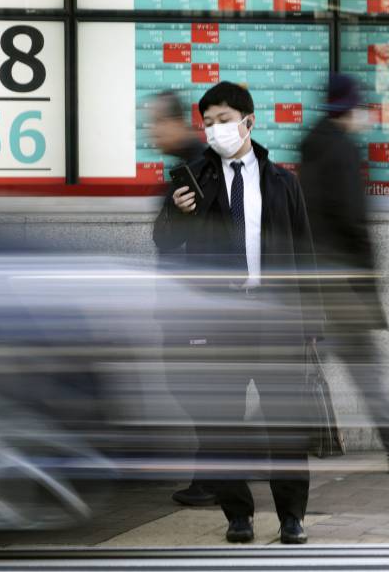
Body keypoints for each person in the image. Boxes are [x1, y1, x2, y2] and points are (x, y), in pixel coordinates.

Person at [153, 81, 321, 545]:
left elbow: (303, 253)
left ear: (248, 121)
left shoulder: (283, 181)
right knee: (221, 423)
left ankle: (291, 516)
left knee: (285, 425)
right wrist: (175, 212)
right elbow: (164, 242)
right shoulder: (195, 178)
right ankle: (238, 515)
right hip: (218, 321)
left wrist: (313, 325)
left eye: (223, 120)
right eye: (207, 123)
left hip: (275, 317)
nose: (215, 130)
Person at [299, 73, 389, 471]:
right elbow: (353, 219)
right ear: (349, 107)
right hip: (346, 283)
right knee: (366, 371)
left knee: (318, 367)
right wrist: (371, 275)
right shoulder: (342, 151)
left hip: (317, 278)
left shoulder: (310, 147)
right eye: (360, 105)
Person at [147, 90, 220, 510]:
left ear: (175, 123)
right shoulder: (188, 165)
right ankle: (215, 470)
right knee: (193, 388)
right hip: (188, 301)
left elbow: (175, 237)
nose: (152, 131)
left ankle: (212, 477)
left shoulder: (196, 167)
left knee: (195, 388)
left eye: (156, 122)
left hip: (192, 303)